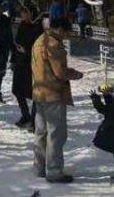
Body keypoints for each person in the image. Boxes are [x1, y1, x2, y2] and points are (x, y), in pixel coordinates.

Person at [31, 18, 84, 183]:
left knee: (41, 132)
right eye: (66, 32)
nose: (67, 36)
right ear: (60, 29)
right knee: (56, 134)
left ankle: (39, 167)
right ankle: (54, 172)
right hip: (53, 94)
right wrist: (75, 74)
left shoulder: (39, 39)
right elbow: (60, 72)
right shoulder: (53, 44)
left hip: (39, 92)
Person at [11, 7, 43, 130]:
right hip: (19, 63)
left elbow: (39, 49)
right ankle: (25, 115)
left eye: (25, 13)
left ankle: (35, 121)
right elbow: (16, 44)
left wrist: (27, 51)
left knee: (33, 93)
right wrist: (13, 60)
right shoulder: (21, 26)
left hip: (32, 64)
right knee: (17, 91)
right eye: (22, 13)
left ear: (31, 14)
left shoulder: (37, 28)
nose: (22, 15)